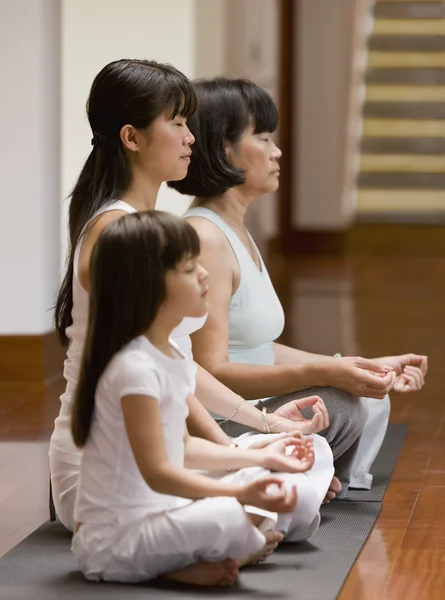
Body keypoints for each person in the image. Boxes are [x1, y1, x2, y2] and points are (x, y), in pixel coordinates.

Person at [49, 59, 334, 534]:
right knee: (290, 495)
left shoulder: (146, 226)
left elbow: (177, 364)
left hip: (163, 446)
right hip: (115, 465)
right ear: (131, 137)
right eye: (177, 124)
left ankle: (232, 519)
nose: (190, 138)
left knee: (308, 454)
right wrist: (237, 449)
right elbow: (154, 374)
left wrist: (262, 426)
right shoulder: (118, 232)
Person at [170, 77, 428, 494]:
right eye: (264, 138)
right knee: (341, 402)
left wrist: (358, 365)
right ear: (224, 149)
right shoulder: (206, 237)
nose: (277, 152)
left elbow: (258, 348)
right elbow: (210, 369)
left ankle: (310, 478)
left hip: (253, 408)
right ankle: (290, 477)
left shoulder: (237, 229)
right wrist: (329, 371)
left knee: (367, 392)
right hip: (225, 419)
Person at [71, 211, 318, 586]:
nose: (204, 274)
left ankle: (216, 550)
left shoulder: (168, 353)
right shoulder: (134, 368)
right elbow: (159, 472)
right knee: (231, 516)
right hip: (113, 540)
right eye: (189, 269)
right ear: (149, 286)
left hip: (163, 510)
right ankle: (220, 551)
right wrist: (238, 492)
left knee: (277, 474)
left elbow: (183, 449)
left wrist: (261, 456)